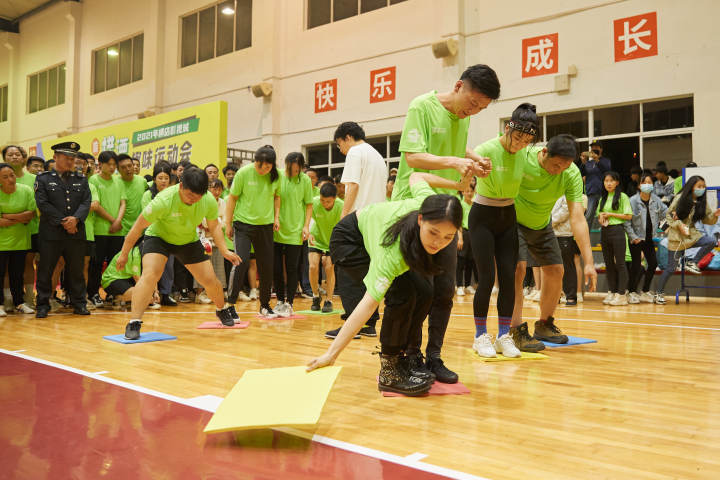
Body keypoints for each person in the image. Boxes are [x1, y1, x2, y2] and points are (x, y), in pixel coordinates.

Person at [307, 172, 470, 396]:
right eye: (433, 233)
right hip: (349, 242)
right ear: (421, 219)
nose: (438, 243)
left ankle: (406, 357)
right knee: (402, 292)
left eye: (448, 237)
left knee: (424, 291)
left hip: (374, 234)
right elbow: (368, 304)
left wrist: (456, 184)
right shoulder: (392, 253)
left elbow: (415, 176)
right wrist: (331, 354)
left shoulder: (431, 202)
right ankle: (390, 371)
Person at [387, 64, 499, 382]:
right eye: (473, 103)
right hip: (416, 207)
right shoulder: (422, 106)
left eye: (481, 109)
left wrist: (473, 158)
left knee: (444, 289)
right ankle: (410, 356)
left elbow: (453, 146)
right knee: (415, 290)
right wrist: (455, 162)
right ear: (459, 85)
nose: (473, 111)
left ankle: (434, 356)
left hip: (448, 208)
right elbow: (413, 157)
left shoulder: (460, 117)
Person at [119, 167, 241, 339]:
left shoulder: (207, 200)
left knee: (210, 280)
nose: (193, 200)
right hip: (159, 237)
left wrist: (224, 250)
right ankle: (134, 322)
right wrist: (124, 253)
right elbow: (138, 227)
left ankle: (221, 309)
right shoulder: (164, 200)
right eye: (190, 195)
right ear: (181, 186)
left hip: (187, 240)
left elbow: (213, 226)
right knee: (150, 275)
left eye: (197, 197)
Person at [510, 135, 597, 350]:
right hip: (513, 221)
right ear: (544, 153)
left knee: (556, 270)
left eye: (566, 165)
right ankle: (515, 330)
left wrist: (589, 262)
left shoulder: (571, 173)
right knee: (519, 269)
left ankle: (544, 324)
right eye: (556, 164)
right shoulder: (524, 157)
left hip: (541, 224)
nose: (560, 170)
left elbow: (577, 217)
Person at [469, 103, 538, 359]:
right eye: (517, 137)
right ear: (507, 128)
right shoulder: (486, 149)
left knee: (510, 279)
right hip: (482, 217)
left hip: (508, 216)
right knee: (486, 279)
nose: (520, 144)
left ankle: (504, 335)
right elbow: (465, 167)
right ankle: (479, 336)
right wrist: (475, 168)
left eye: (526, 140)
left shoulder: (525, 154)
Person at [34, 142, 92, 318]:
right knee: (46, 269)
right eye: (66, 157)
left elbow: (86, 202)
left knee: (76, 270)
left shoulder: (81, 179)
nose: (70, 161)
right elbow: (43, 204)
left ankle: (79, 303)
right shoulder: (43, 179)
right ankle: (43, 304)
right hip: (51, 233)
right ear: (55, 157)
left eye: (72, 158)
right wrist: (64, 221)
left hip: (75, 232)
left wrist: (75, 220)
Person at [225, 145, 282, 318]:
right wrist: (228, 223)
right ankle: (230, 305)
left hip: (265, 226)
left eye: (268, 166)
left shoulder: (276, 176)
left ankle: (264, 305)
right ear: (254, 162)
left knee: (266, 267)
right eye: (260, 166)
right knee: (240, 262)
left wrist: (276, 217)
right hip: (243, 224)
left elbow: (277, 196)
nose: (263, 170)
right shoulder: (243, 173)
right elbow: (232, 198)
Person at [655, 176, 720, 303]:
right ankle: (658, 294)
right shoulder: (680, 198)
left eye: (703, 186)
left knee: (711, 241)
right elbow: (669, 215)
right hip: (677, 239)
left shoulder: (702, 202)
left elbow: (707, 219)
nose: (701, 189)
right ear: (691, 187)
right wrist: (679, 225)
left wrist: (715, 215)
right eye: (699, 186)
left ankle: (692, 262)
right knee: (671, 269)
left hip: (692, 236)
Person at [272, 152, 313, 317]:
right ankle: (280, 300)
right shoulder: (278, 176)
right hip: (276, 229)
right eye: (291, 170)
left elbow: (309, 205)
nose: (293, 173)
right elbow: (275, 198)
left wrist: (305, 226)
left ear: (301, 168)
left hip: (295, 230)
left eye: (297, 170)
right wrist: (275, 218)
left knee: (292, 268)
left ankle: (289, 302)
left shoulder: (305, 180)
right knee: (276, 268)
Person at [87, 151, 126, 307]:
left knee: (114, 264)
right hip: (100, 230)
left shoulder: (118, 181)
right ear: (100, 165)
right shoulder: (93, 180)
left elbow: (123, 203)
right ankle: (94, 293)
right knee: (96, 264)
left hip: (117, 231)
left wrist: (118, 221)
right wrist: (113, 221)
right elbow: (96, 206)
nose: (112, 167)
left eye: (114, 165)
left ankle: (112, 293)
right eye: (108, 164)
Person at [2, 145, 38, 307]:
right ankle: (5, 301)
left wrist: (8, 216)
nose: (15, 157)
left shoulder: (30, 184)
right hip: (4, 239)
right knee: (4, 270)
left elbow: (31, 212)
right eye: (10, 154)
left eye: (18, 154)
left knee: (22, 267)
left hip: (27, 234)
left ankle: (24, 300)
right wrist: (19, 218)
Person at [624, 172, 667, 304]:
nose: (647, 185)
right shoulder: (632, 201)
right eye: (644, 183)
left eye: (649, 183)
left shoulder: (656, 200)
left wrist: (673, 215)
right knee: (636, 266)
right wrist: (633, 237)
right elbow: (627, 222)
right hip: (636, 239)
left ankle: (645, 291)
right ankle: (630, 292)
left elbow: (666, 213)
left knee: (653, 264)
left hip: (649, 239)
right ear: (639, 186)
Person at [142, 162, 177, 307]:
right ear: (154, 179)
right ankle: (151, 294)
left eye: (166, 178)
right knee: (152, 268)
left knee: (169, 266)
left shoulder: (173, 194)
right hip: (153, 235)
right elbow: (146, 216)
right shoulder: (147, 195)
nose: (163, 181)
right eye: (160, 177)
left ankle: (165, 294)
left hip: (170, 234)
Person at [335, 121, 387, 218]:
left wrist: (343, 216)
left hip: (360, 217)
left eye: (339, 144)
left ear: (348, 137)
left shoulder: (354, 151)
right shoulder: (377, 155)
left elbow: (353, 185)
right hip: (378, 216)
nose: (340, 149)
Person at [597, 171, 633, 306]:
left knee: (620, 263)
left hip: (618, 231)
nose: (608, 183)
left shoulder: (623, 196)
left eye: (611, 181)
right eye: (606, 181)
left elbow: (628, 215)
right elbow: (599, 215)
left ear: (617, 182)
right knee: (609, 264)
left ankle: (622, 294)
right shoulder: (603, 197)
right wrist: (601, 218)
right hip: (605, 231)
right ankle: (612, 291)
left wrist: (611, 214)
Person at [309, 182, 343, 313]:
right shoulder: (315, 202)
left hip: (333, 240)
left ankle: (329, 300)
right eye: (322, 200)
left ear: (335, 198)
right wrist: (308, 230)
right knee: (312, 266)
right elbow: (307, 217)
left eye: (328, 201)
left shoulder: (341, 206)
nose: (324, 204)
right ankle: (315, 296)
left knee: (329, 267)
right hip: (316, 238)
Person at [101, 245, 147, 309]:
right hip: (111, 280)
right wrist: (148, 296)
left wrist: (156, 292)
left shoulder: (144, 254)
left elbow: (152, 273)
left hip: (124, 278)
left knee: (145, 293)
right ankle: (116, 299)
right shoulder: (136, 255)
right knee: (143, 294)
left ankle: (122, 298)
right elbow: (137, 279)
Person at [581, 143, 611, 229]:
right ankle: (585, 236)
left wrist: (597, 159)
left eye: (596, 148)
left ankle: (605, 237)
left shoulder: (606, 161)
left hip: (603, 192)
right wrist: (583, 163)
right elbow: (581, 173)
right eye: (592, 148)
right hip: (591, 192)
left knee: (604, 214)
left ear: (601, 149)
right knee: (588, 215)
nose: (593, 149)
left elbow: (607, 170)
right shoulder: (589, 163)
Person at [117, 154, 148, 237]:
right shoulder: (114, 183)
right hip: (121, 230)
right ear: (118, 169)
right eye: (123, 167)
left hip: (139, 229)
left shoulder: (142, 181)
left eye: (129, 166)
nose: (128, 169)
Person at [456, 181, 476, 297]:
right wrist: (460, 238)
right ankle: (459, 286)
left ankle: (468, 285)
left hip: (473, 234)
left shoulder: (474, 205)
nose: (469, 193)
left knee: (470, 261)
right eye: (467, 191)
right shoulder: (461, 204)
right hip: (463, 233)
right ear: (463, 192)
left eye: (471, 191)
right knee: (461, 261)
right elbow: (458, 223)